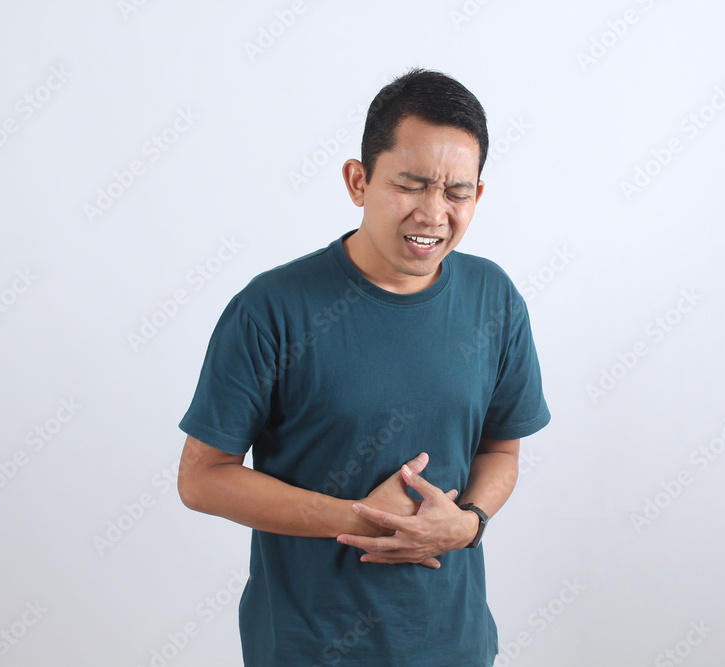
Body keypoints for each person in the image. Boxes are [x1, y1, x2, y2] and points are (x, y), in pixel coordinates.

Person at [177, 67, 550, 667]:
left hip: (454, 645)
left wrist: (469, 524)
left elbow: (501, 451)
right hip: (306, 647)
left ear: (477, 196)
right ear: (358, 180)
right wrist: (358, 519)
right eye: (411, 185)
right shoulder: (271, 308)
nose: (433, 213)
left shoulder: (494, 299)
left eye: (456, 193)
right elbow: (202, 478)